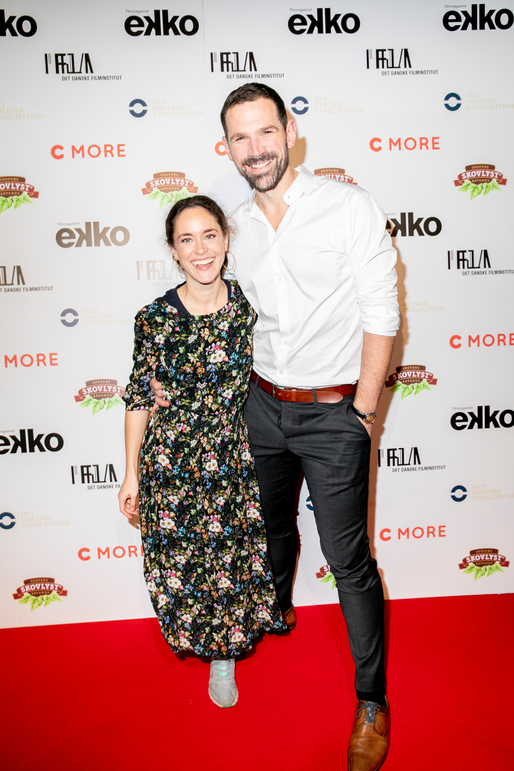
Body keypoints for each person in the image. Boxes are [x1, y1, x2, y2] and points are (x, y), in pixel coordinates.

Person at [153, 84, 399, 770]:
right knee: (268, 527)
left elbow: (382, 311)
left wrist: (363, 412)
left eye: (265, 132)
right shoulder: (232, 228)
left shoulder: (348, 207)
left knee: (349, 561)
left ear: (290, 130)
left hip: (334, 412)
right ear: (226, 147)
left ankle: (372, 699)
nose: (255, 149)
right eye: (241, 137)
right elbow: (211, 309)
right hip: (258, 407)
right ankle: (274, 608)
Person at [118, 194, 286, 710]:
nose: (200, 249)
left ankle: (224, 656)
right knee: (185, 566)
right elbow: (139, 396)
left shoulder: (250, 308)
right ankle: (209, 646)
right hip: (170, 463)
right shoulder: (153, 319)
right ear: (173, 250)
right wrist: (130, 474)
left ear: (226, 240)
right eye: (186, 240)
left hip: (232, 457)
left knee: (230, 564)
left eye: (209, 235)